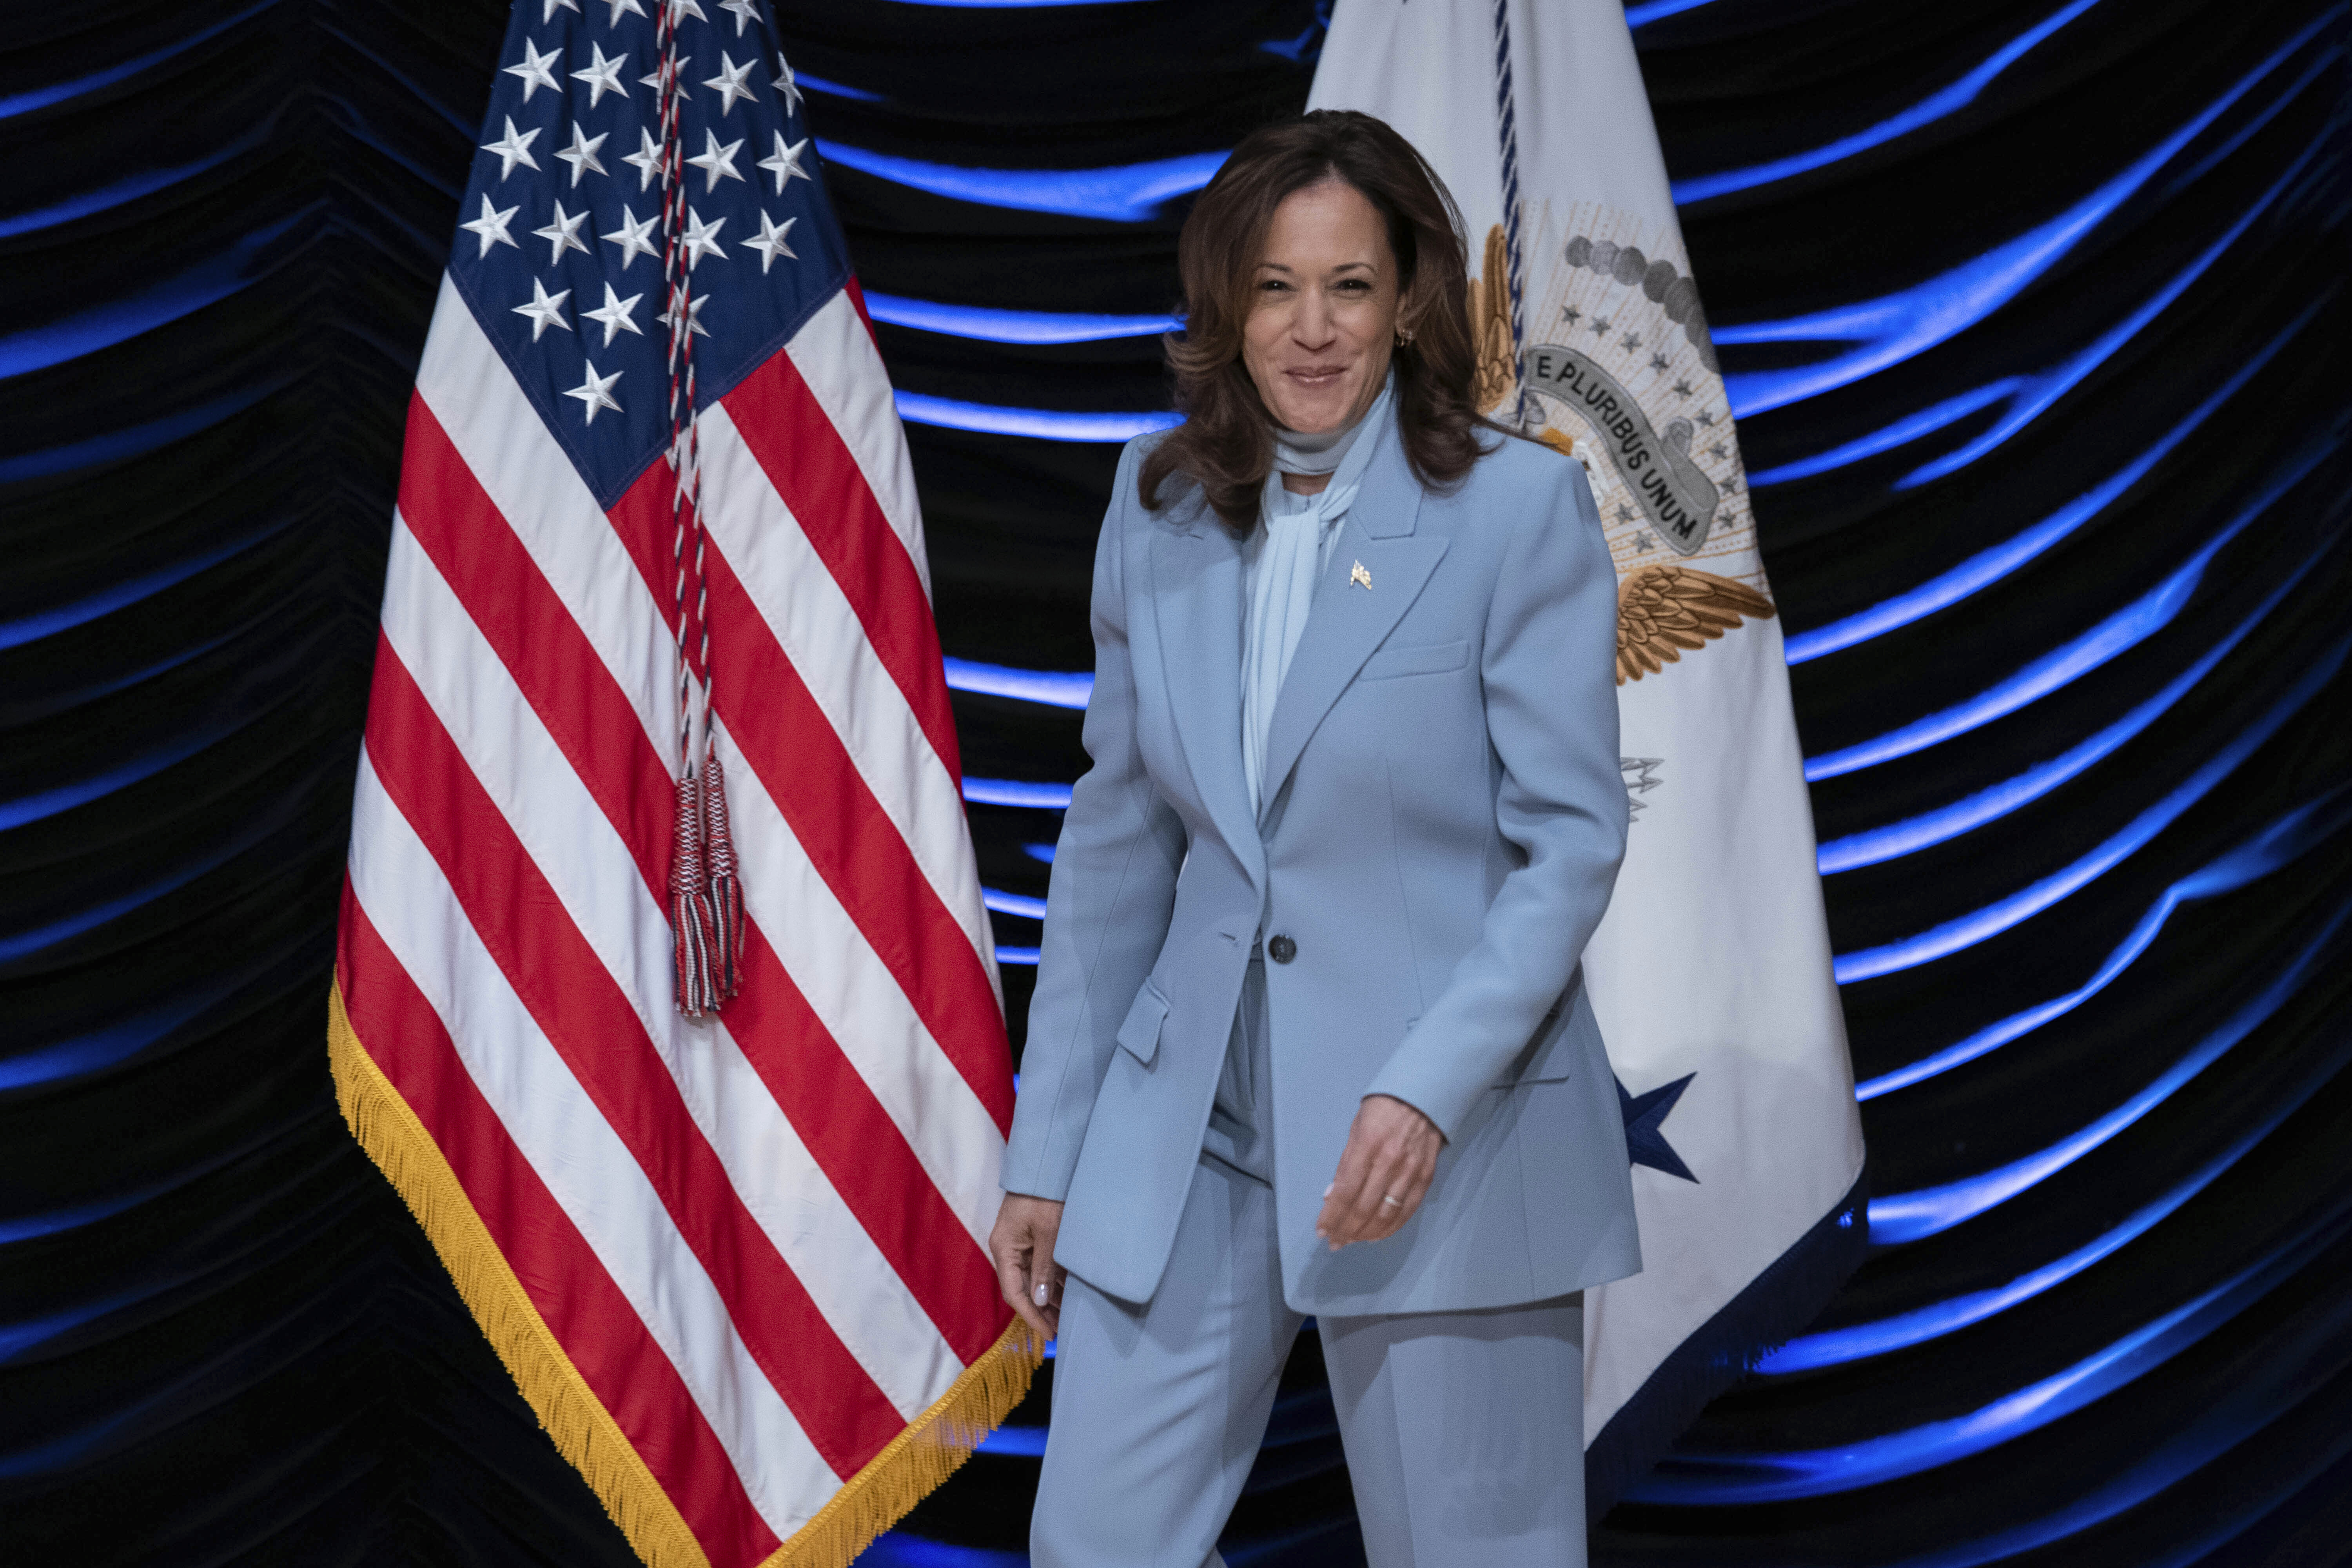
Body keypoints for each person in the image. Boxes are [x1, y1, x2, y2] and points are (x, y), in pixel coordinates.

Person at [989, 109, 1640, 1568]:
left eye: (1350, 285)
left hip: (1433, 1147)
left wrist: (1423, 1092)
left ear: (1409, 298)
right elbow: (1113, 847)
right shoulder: (1152, 508)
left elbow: (1571, 846)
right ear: (1225, 306)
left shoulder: (1513, 507)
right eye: (1276, 288)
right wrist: (1051, 1153)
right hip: (1193, 1145)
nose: (1314, 328)